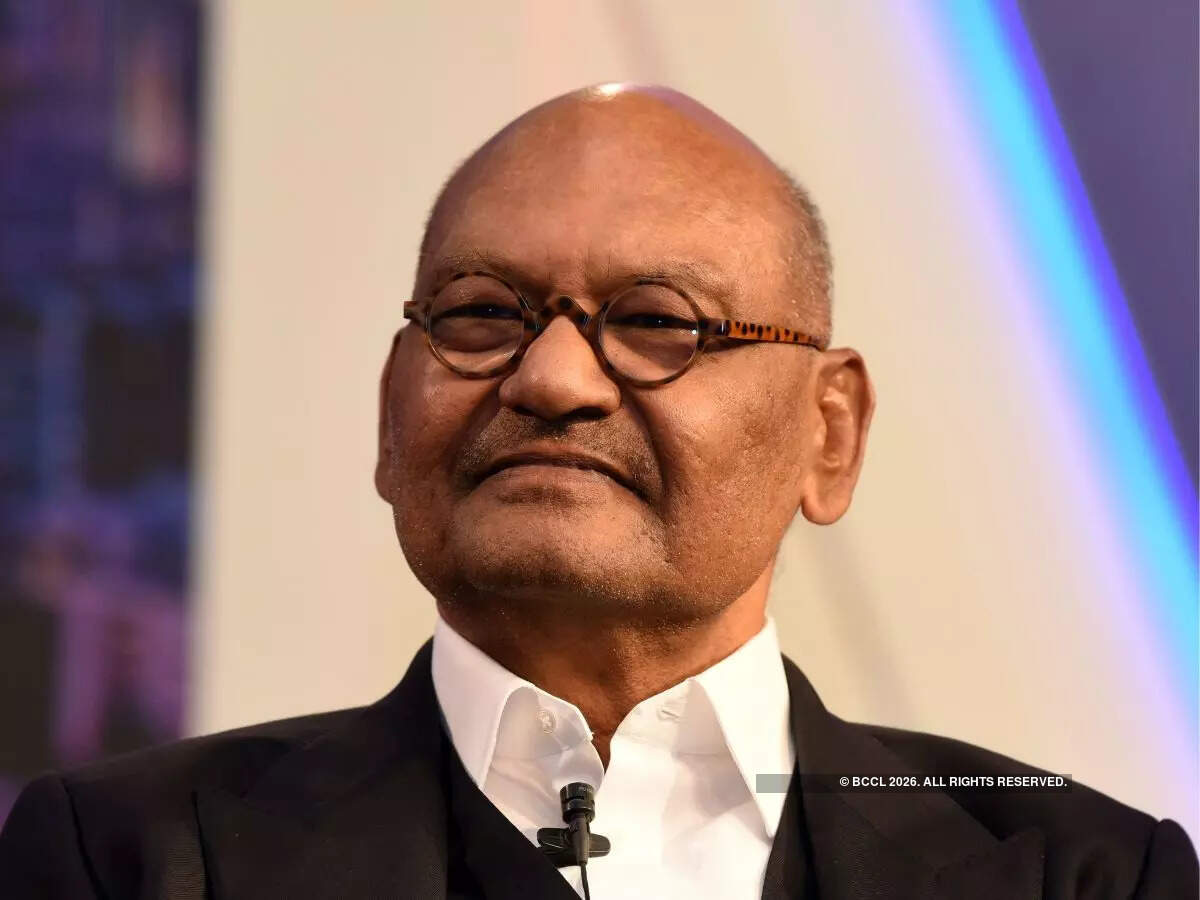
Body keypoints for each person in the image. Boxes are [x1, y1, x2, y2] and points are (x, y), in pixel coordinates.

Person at [0, 84, 1194, 899]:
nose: (553, 377)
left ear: (829, 434)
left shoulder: (1077, 871)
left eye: (657, 322)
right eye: (481, 314)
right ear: (391, 413)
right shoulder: (130, 860)